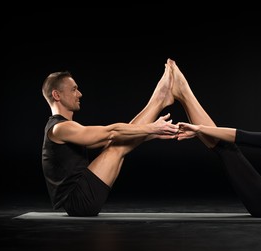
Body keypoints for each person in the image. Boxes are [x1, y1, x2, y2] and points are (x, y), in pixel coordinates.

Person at [168, 58, 261, 217]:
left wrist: (200, 128)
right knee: (225, 148)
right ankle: (183, 93)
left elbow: (244, 137)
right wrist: (201, 131)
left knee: (228, 148)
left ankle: (184, 93)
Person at [41, 63, 178, 217]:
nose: (79, 94)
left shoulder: (65, 128)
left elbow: (108, 139)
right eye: (73, 89)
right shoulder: (59, 128)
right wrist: (152, 128)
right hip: (78, 201)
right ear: (56, 95)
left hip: (79, 200)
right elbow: (112, 132)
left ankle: (160, 98)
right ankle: (160, 98)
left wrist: (150, 135)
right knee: (116, 147)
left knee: (117, 144)